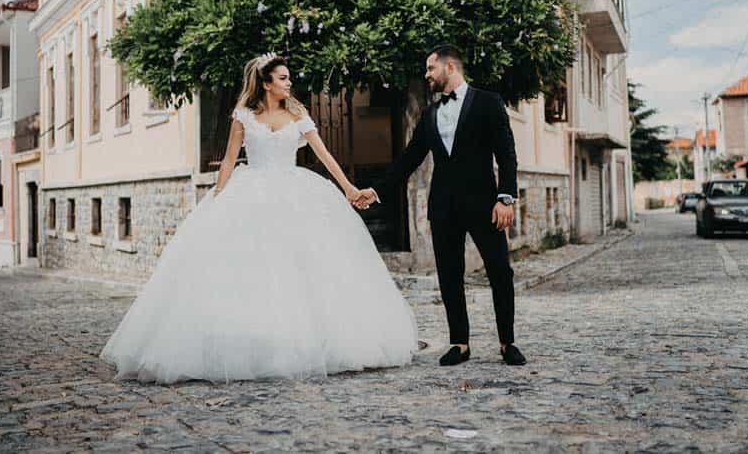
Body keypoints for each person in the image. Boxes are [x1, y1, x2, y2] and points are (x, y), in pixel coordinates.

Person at [100, 53, 418, 383]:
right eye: (282, 78)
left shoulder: (298, 113)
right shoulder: (244, 116)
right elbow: (228, 161)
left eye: (288, 77)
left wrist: (350, 190)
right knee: (253, 273)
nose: (289, 82)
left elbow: (324, 155)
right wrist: (217, 200)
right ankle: (253, 343)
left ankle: (307, 342)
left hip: (295, 193)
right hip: (250, 192)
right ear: (266, 84)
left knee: (303, 269)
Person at [354, 45, 526, 367]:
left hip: (485, 205)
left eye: (431, 68)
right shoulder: (430, 114)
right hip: (443, 208)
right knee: (449, 275)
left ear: (449, 67)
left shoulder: (488, 102)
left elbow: (506, 153)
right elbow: (408, 160)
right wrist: (375, 191)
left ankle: (507, 342)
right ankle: (459, 344)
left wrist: (506, 197)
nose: (427, 74)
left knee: (500, 271)